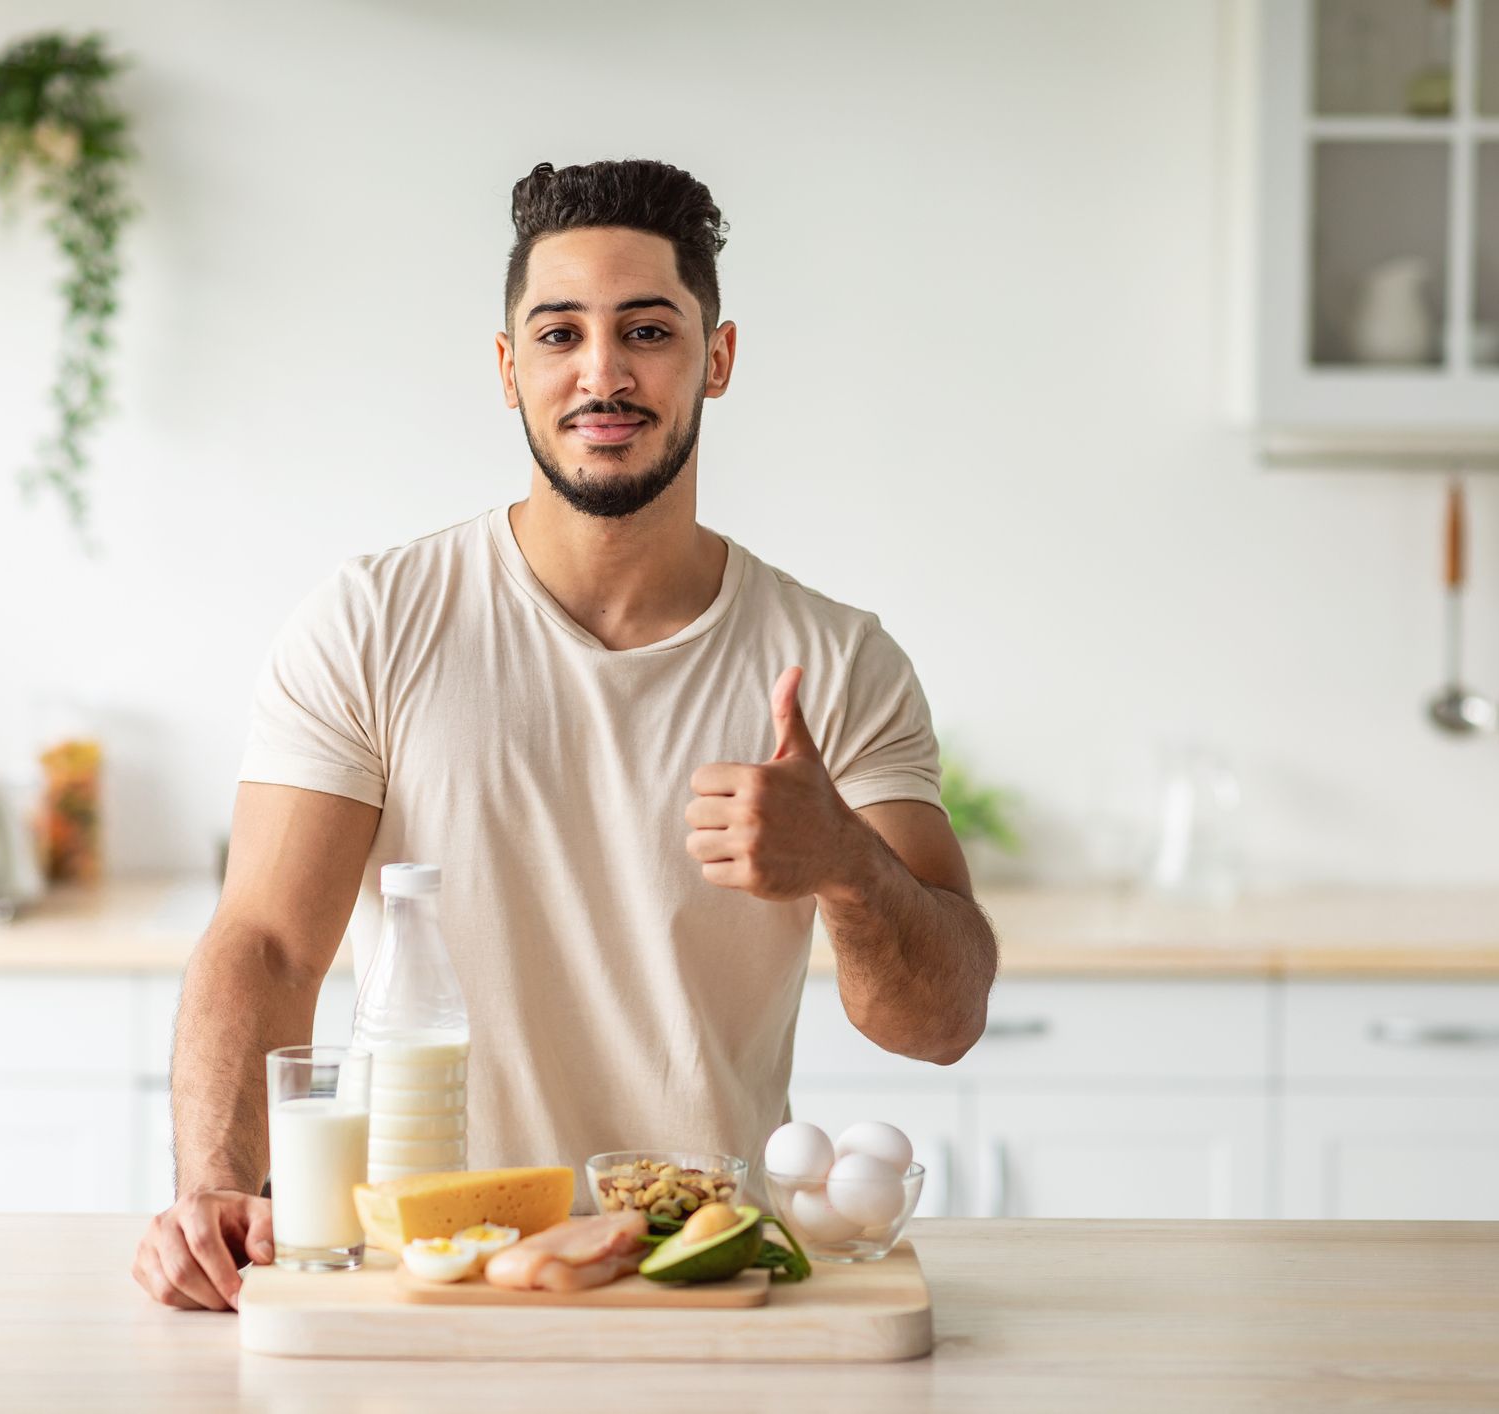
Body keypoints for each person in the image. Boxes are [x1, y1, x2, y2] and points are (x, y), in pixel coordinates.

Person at [133, 158, 997, 1310]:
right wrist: (215, 1188)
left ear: (717, 359)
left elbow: (941, 1022)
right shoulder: (374, 621)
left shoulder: (834, 659)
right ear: (508, 369)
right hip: (427, 1279)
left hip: (704, 1280)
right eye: (559, 334)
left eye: (648, 330)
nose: (604, 372)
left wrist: (845, 863)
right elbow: (270, 948)